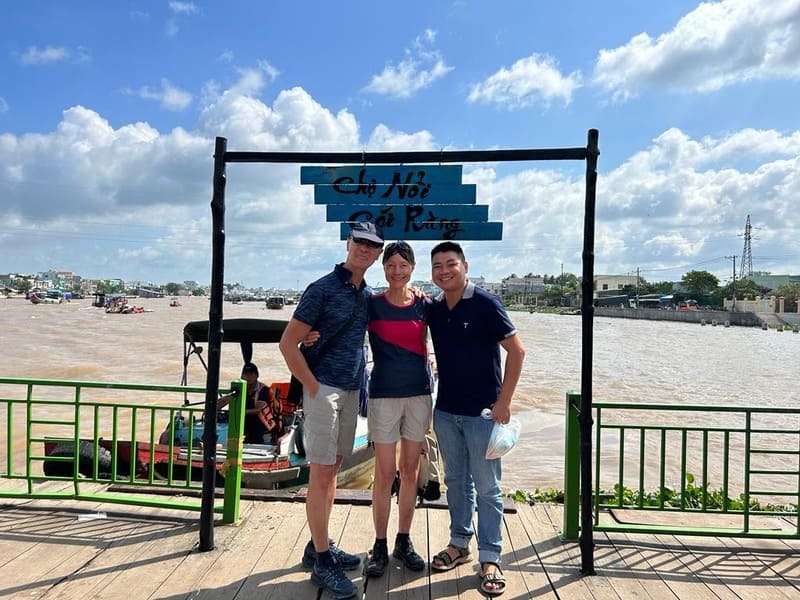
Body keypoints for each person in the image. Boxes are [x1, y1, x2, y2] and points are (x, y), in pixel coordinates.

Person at [279, 221, 384, 600]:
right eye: (360, 242)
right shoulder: (321, 289)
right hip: (323, 389)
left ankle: (316, 545)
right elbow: (288, 344)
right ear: (348, 243)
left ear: (377, 254)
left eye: (372, 246)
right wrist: (311, 386)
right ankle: (323, 560)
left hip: (352, 388)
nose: (364, 250)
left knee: (334, 468)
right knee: (321, 474)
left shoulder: (367, 294)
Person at [427, 241, 525, 597]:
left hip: (484, 414)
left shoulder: (485, 302)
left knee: (488, 487)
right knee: (455, 481)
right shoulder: (435, 307)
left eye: (450, 263)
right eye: (437, 265)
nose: (444, 270)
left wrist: (505, 400)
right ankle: (458, 543)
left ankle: (490, 556)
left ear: (464, 266)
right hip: (447, 411)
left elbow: (517, 350)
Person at [362, 241, 432, 577]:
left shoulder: (424, 305)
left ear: (413, 268)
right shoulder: (372, 305)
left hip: (418, 394)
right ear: (383, 268)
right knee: (385, 473)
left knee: (410, 471)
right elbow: (345, 329)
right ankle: (379, 543)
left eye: (403, 265)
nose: (397, 271)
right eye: (391, 265)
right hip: (383, 396)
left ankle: (403, 540)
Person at [218, 362, 271, 444]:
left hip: (258, 421)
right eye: (246, 374)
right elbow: (225, 400)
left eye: (251, 374)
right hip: (241, 419)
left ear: (257, 375)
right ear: (242, 375)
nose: (249, 377)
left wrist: (242, 412)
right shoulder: (238, 387)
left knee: (254, 426)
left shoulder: (263, 389)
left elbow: (259, 409)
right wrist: (213, 409)